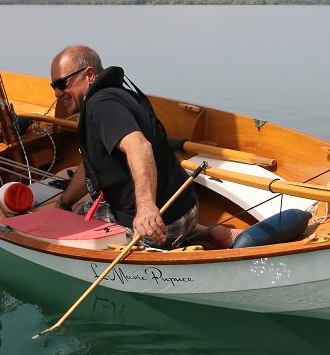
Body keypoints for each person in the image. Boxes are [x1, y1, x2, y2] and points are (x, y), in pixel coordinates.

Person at [50, 45, 230, 248]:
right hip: (187, 209)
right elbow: (91, 167)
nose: (57, 93)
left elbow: (140, 147)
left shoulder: (101, 106)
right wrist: (63, 203)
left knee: (82, 212)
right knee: (83, 205)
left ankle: (172, 237)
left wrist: (146, 209)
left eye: (61, 83)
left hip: (159, 229)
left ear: (89, 74)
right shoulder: (119, 93)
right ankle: (210, 232)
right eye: (53, 86)